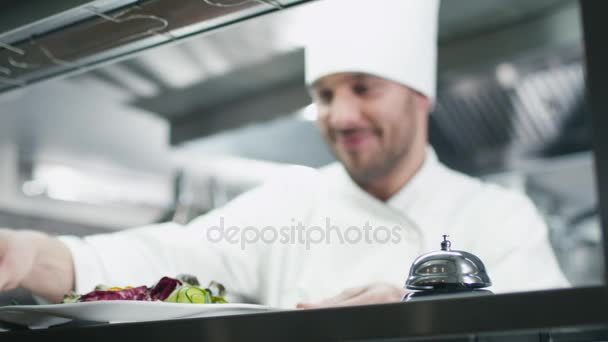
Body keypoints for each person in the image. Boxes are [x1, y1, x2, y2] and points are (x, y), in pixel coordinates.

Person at [0, 0, 569, 309]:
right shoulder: (289, 204)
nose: (340, 115)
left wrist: (418, 313)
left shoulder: (500, 218)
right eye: (324, 95)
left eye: (364, 87)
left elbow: (541, 329)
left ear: (419, 95)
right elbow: (159, 257)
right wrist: (24, 255)